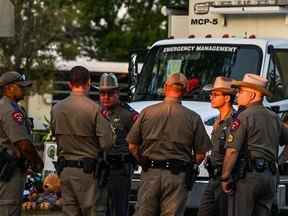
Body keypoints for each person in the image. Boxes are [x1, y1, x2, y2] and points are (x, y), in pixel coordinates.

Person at [127, 73, 212, 216]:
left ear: (165, 87)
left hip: (150, 173)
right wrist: (186, 164)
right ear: (185, 91)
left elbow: (132, 146)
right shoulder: (193, 118)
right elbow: (200, 155)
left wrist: (143, 161)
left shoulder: (147, 112)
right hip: (177, 176)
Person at [221, 73, 288, 216]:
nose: (237, 95)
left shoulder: (243, 117)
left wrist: (225, 177)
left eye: (241, 91)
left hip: (248, 178)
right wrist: (280, 161)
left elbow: (232, 151)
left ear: (251, 95)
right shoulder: (274, 117)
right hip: (270, 177)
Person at [51, 66, 114, 216]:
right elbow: (107, 143)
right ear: (89, 83)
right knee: (93, 211)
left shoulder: (56, 108)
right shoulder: (95, 109)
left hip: (65, 170)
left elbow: (55, 136)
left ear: (69, 84)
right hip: (88, 173)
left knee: (70, 211)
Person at [0, 71, 43, 216]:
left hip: (9, 168)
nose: (24, 89)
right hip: (9, 172)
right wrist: (37, 162)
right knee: (9, 209)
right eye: (20, 86)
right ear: (9, 88)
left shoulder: (9, 107)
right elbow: (24, 144)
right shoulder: (9, 110)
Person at [97, 73, 138, 216]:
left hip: (120, 168)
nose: (106, 97)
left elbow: (140, 139)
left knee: (119, 209)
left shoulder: (128, 114)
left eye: (110, 93)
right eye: (102, 93)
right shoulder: (97, 111)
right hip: (101, 168)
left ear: (118, 93)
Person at [198, 76, 235, 216]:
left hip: (225, 179)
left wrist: (226, 177)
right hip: (214, 178)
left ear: (227, 98)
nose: (211, 97)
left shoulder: (233, 121)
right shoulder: (218, 120)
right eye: (211, 94)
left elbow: (232, 151)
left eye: (215, 94)